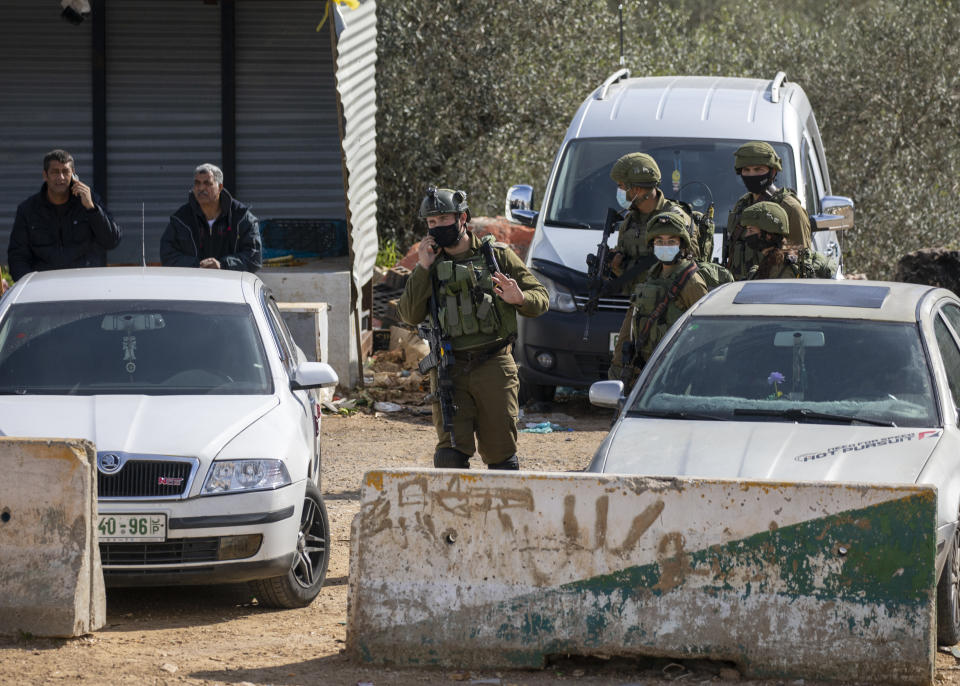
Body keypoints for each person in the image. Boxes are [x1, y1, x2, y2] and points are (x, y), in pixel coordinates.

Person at [397, 186, 548, 470]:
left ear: (462, 218)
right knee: (450, 455)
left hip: (494, 365)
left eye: (444, 220)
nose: (437, 227)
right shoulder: (430, 264)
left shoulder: (497, 257)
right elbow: (408, 314)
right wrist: (423, 268)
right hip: (449, 367)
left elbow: (541, 299)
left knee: (502, 457)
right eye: (431, 222)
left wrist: (521, 298)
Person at [606, 153, 699, 380]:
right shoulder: (630, 220)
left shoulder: (675, 218)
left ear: (637, 189)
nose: (619, 192)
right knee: (622, 364)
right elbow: (632, 271)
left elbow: (689, 261)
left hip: (672, 303)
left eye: (622, 186)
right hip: (639, 303)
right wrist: (617, 266)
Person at [609, 210, 708, 385]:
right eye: (659, 241)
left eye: (671, 241)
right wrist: (618, 364)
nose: (665, 246)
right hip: (646, 369)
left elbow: (707, 332)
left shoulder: (691, 281)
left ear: (682, 245)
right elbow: (630, 322)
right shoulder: (652, 275)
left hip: (676, 373)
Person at [7, 149, 122, 281]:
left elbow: (112, 241)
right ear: (45, 175)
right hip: (44, 288)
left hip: (86, 285)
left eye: (65, 172)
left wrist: (91, 208)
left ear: (73, 175)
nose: (61, 177)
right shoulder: (28, 210)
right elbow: (18, 256)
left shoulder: (90, 201)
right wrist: (29, 286)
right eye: (55, 172)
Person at [725, 141, 812, 280]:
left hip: (772, 293)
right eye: (746, 170)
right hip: (738, 291)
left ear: (773, 171)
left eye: (758, 169)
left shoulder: (790, 208)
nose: (752, 175)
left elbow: (801, 264)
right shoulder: (742, 205)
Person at [160, 163, 262, 272]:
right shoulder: (181, 219)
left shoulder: (241, 217)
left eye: (207, 183)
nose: (201, 188)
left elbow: (254, 257)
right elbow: (167, 255)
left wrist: (222, 265)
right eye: (197, 183)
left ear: (220, 187)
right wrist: (197, 266)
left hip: (230, 285)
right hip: (192, 285)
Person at [740, 202, 835, 280]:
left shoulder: (781, 268)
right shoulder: (775, 259)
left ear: (768, 235)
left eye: (751, 230)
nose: (746, 235)